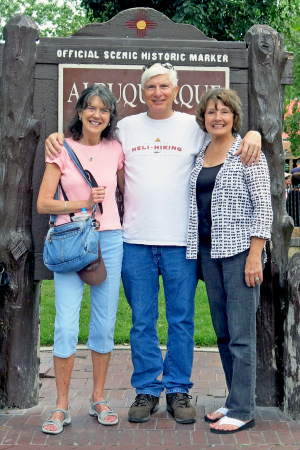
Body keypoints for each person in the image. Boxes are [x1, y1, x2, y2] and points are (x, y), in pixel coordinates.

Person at [45, 63, 261, 425]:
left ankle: (178, 389)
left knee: (181, 320)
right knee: (142, 321)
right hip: (134, 241)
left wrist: (252, 132)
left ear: (176, 90)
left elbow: (228, 135)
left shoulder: (193, 129)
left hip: (180, 243)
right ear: (142, 92)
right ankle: (146, 389)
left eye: (164, 86)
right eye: (151, 87)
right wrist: (56, 136)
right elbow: (87, 143)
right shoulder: (126, 129)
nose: (157, 92)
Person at [37, 84, 124, 434]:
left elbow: (130, 188)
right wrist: (82, 203)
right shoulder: (61, 148)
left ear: (110, 116)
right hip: (70, 240)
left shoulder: (117, 148)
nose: (97, 114)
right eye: (91, 107)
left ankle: (98, 398)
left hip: (110, 240)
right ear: (80, 111)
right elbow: (44, 203)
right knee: (65, 325)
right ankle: (60, 406)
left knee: (104, 324)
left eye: (104, 109)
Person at [187, 88, 272, 434]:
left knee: (241, 335)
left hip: (240, 254)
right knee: (223, 333)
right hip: (209, 253)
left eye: (223, 111)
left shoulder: (247, 152)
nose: (216, 117)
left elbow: (263, 207)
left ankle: (243, 410)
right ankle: (233, 399)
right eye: (210, 112)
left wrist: (255, 255)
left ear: (235, 117)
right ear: (203, 118)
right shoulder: (201, 153)